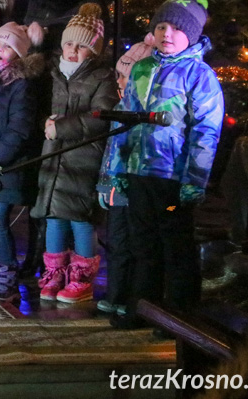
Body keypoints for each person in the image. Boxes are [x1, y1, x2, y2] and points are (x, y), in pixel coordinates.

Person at [99, 0, 224, 329]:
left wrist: (193, 181)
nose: (167, 33)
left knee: (175, 245)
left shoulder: (200, 76)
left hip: (172, 181)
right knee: (143, 243)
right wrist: (115, 170)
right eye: (161, 26)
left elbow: (205, 134)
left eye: (177, 28)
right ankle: (144, 307)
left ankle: (179, 315)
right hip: (138, 173)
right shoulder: (142, 68)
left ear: (193, 35)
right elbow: (122, 120)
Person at [30, 6, 118, 304]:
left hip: (83, 158)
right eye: (69, 43)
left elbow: (100, 117)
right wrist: (47, 123)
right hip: (55, 157)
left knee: (80, 219)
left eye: (81, 46)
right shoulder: (56, 75)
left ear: (93, 51)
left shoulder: (102, 77)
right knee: (54, 216)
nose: (72, 50)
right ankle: (54, 272)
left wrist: (62, 127)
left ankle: (82, 276)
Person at [0, 21, 45, 300]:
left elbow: (20, 127)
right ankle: (1, 272)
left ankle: (7, 275)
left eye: (7, 46)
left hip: (5, 166)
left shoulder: (20, 85)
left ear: (19, 54)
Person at [96, 34, 155, 316]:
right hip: (115, 189)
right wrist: (104, 184)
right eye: (118, 75)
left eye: (124, 76)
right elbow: (110, 152)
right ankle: (116, 294)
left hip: (136, 189)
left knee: (136, 244)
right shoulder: (120, 108)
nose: (118, 82)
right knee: (117, 243)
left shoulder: (145, 113)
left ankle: (132, 299)